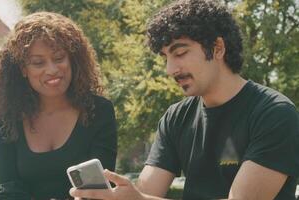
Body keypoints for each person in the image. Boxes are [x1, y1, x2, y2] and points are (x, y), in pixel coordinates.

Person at [70, 0, 299, 199]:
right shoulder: (176, 117)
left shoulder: (275, 114)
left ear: (218, 48)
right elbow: (146, 192)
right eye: (165, 57)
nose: (170, 69)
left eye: (180, 53)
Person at [0, 12, 117, 200]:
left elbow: (100, 187)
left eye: (59, 58)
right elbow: (8, 188)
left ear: (72, 59)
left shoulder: (99, 110)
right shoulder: (8, 118)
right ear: (23, 69)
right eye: (38, 63)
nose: (52, 70)